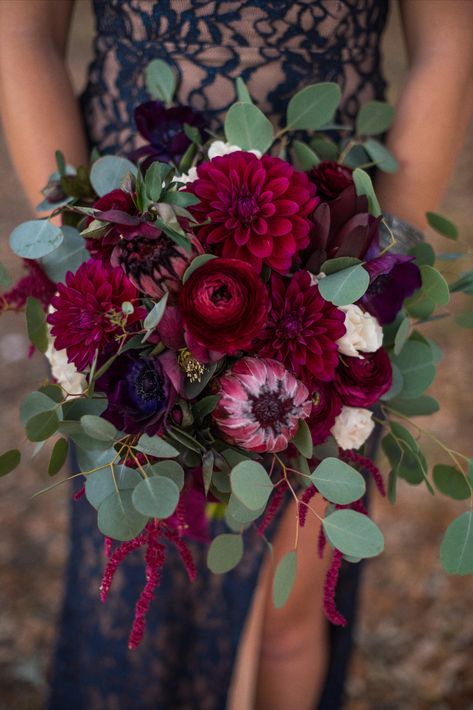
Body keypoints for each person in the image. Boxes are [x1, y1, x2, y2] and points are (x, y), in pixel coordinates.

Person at [0, 1, 472, 708]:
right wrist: (83, 251)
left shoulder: (347, 286)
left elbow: (447, 39)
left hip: (330, 259)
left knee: (284, 615)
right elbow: (22, 28)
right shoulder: (112, 271)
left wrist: (371, 283)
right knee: (131, 605)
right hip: (130, 251)